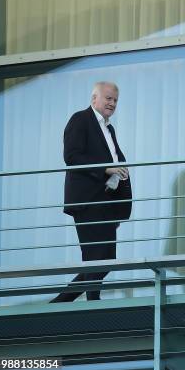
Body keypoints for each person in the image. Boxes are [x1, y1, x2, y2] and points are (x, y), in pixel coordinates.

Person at [51, 82, 132, 302]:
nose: (112, 103)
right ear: (93, 98)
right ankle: (92, 303)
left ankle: (60, 303)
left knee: (106, 259)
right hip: (88, 200)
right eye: (108, 98)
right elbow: (72, 156)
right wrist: (107, 168)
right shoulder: (80, 119)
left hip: (107, 202)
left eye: (115, 100)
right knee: (95, 257)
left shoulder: (108, 128)